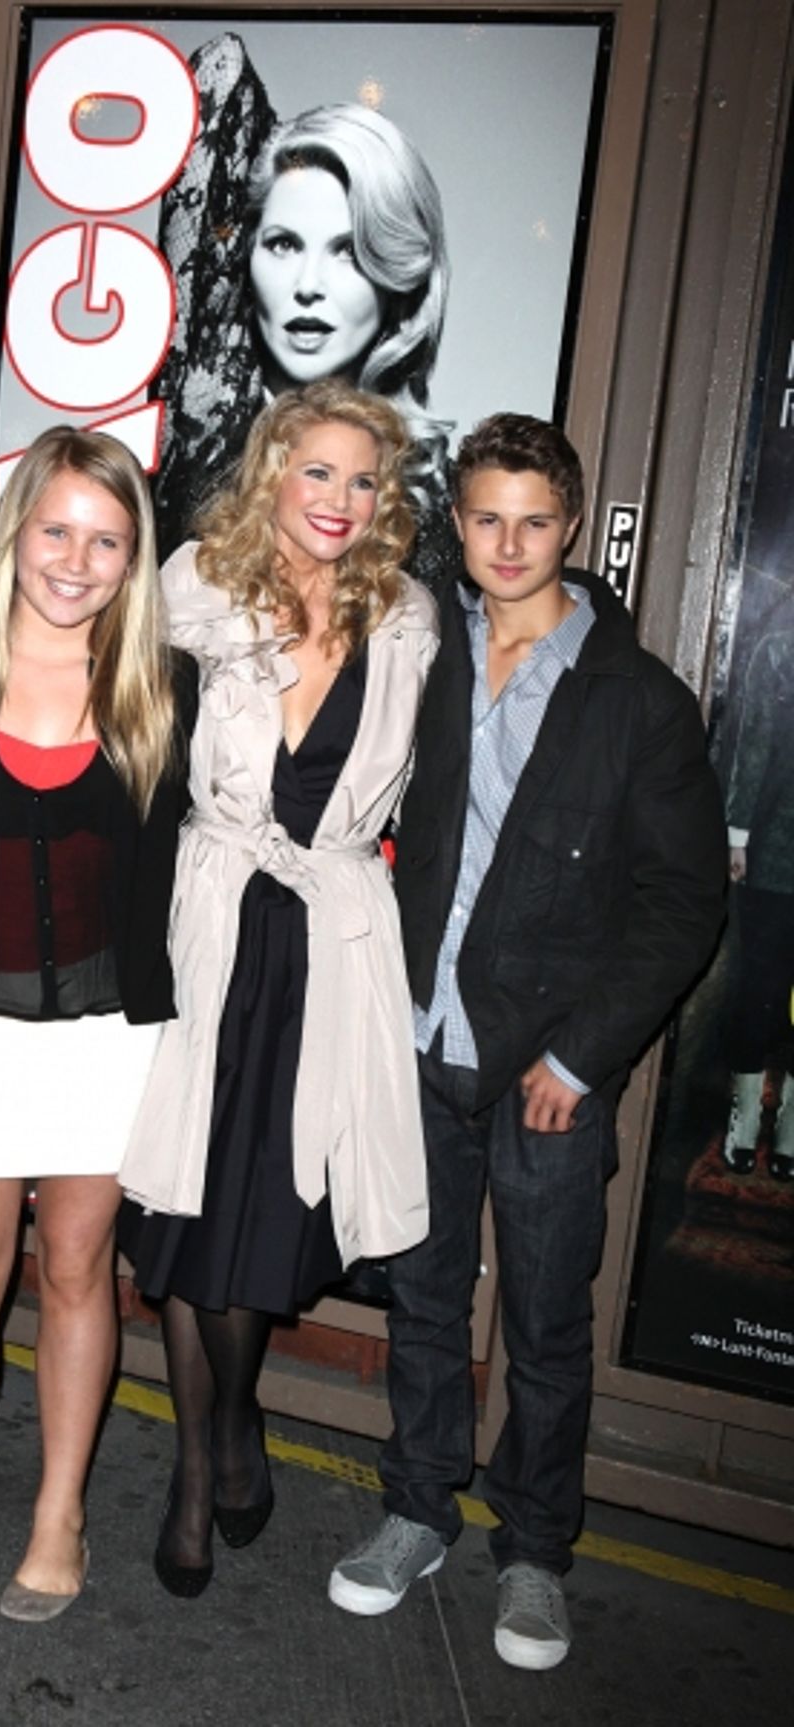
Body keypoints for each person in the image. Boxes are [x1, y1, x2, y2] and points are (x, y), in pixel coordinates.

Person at [328, 414, 725, 1668]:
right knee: (427, 1298)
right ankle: (415, 1510)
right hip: (420, 1037)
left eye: (535, 521)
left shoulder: (637, 698)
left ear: (574, 525)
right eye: (486, 517)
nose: (509, 544)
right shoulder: (420, 647)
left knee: (548, 1323)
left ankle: (538, 1552)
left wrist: (585, 1054)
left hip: (549, 1061)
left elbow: (684, 902)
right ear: (459, 521)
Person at [118, 379, 438, 1597]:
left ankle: (235, 1419)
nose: (341, 500)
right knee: (188, 1214)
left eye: (364, 480)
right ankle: (201, 1471)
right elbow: (118, 733)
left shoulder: (410, 617)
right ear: (273, 473)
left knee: (262, 1213)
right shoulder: (194, 588)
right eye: (319, 472)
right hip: (209, 926)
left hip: (327, 946)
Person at [0, 428, 198, 1622]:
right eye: (56, 528)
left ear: (134, 555)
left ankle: (58, 1510)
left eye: (106, 538)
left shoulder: (164, 682)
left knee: (76, 1269)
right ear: (16, 533)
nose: (76, 558)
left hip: (109, 1034)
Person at [154, 34, 454, 595]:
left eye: (347, 251)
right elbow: (222, 67)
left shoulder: (429, 505)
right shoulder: (198, 432)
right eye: (284, 244)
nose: (308, 286)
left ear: (395, 279)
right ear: (244, 257)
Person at [721, 622, 794, 1179]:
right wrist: (740, 833)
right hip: (776, 850)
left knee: (763, 990)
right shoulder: (780, 649)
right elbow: (756, 742)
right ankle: (751, 1120)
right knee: (760, 990)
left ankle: (779, 1130)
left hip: (771, 847)